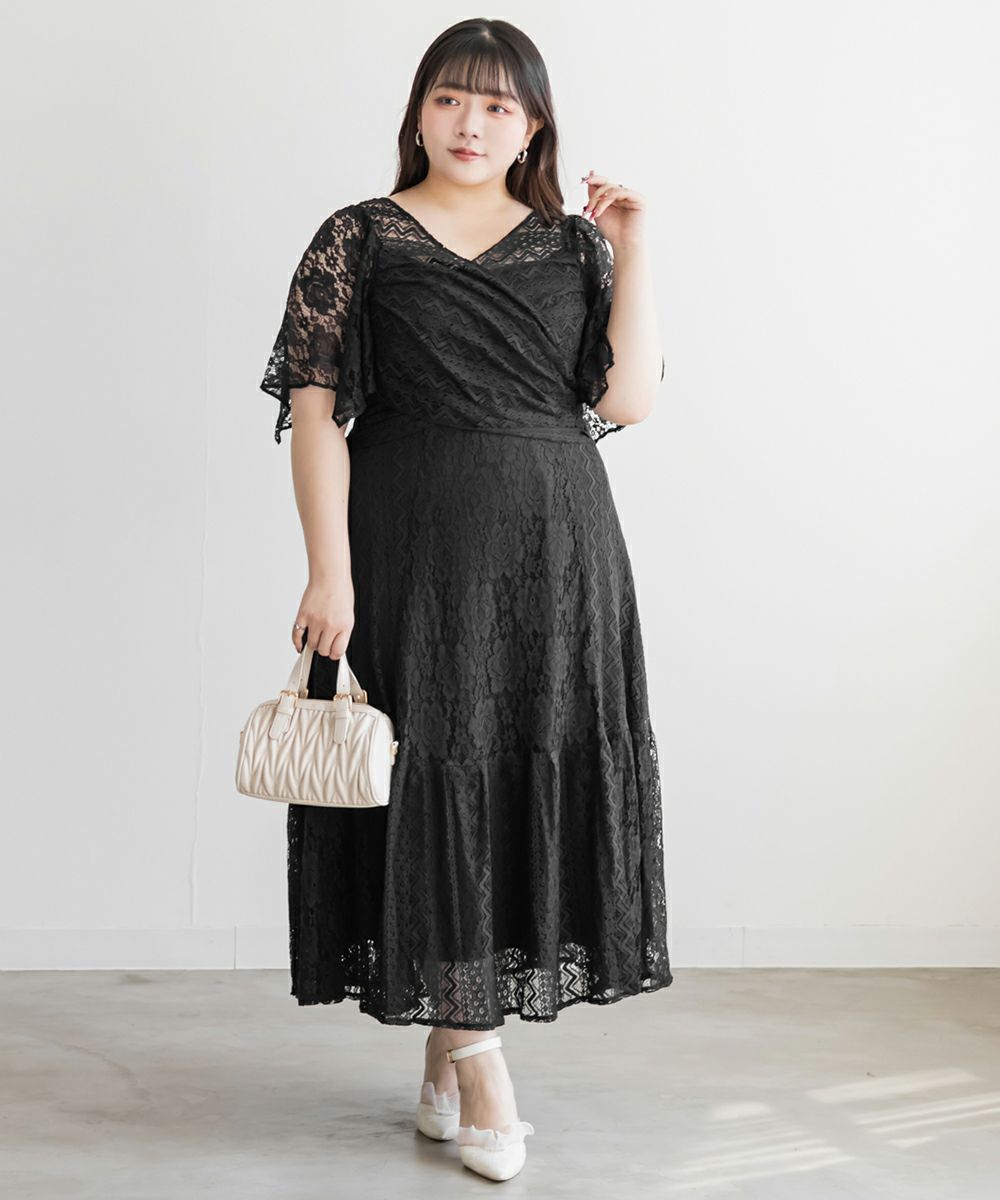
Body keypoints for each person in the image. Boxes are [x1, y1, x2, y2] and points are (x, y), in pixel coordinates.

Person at [257, 17, 673, 1182]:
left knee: (516, 769)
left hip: (558, 549)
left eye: (497, 105)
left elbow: (628, 401)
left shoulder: (573, 247)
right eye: (450, 99)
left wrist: (634, 246)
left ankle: (450, 1043)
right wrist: (328, 570)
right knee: (436, 774)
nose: (471, 123)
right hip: (412, 546)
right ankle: (480, 1060)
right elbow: (314, 414)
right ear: (418, 112)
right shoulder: (358, 238)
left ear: (533, 126)